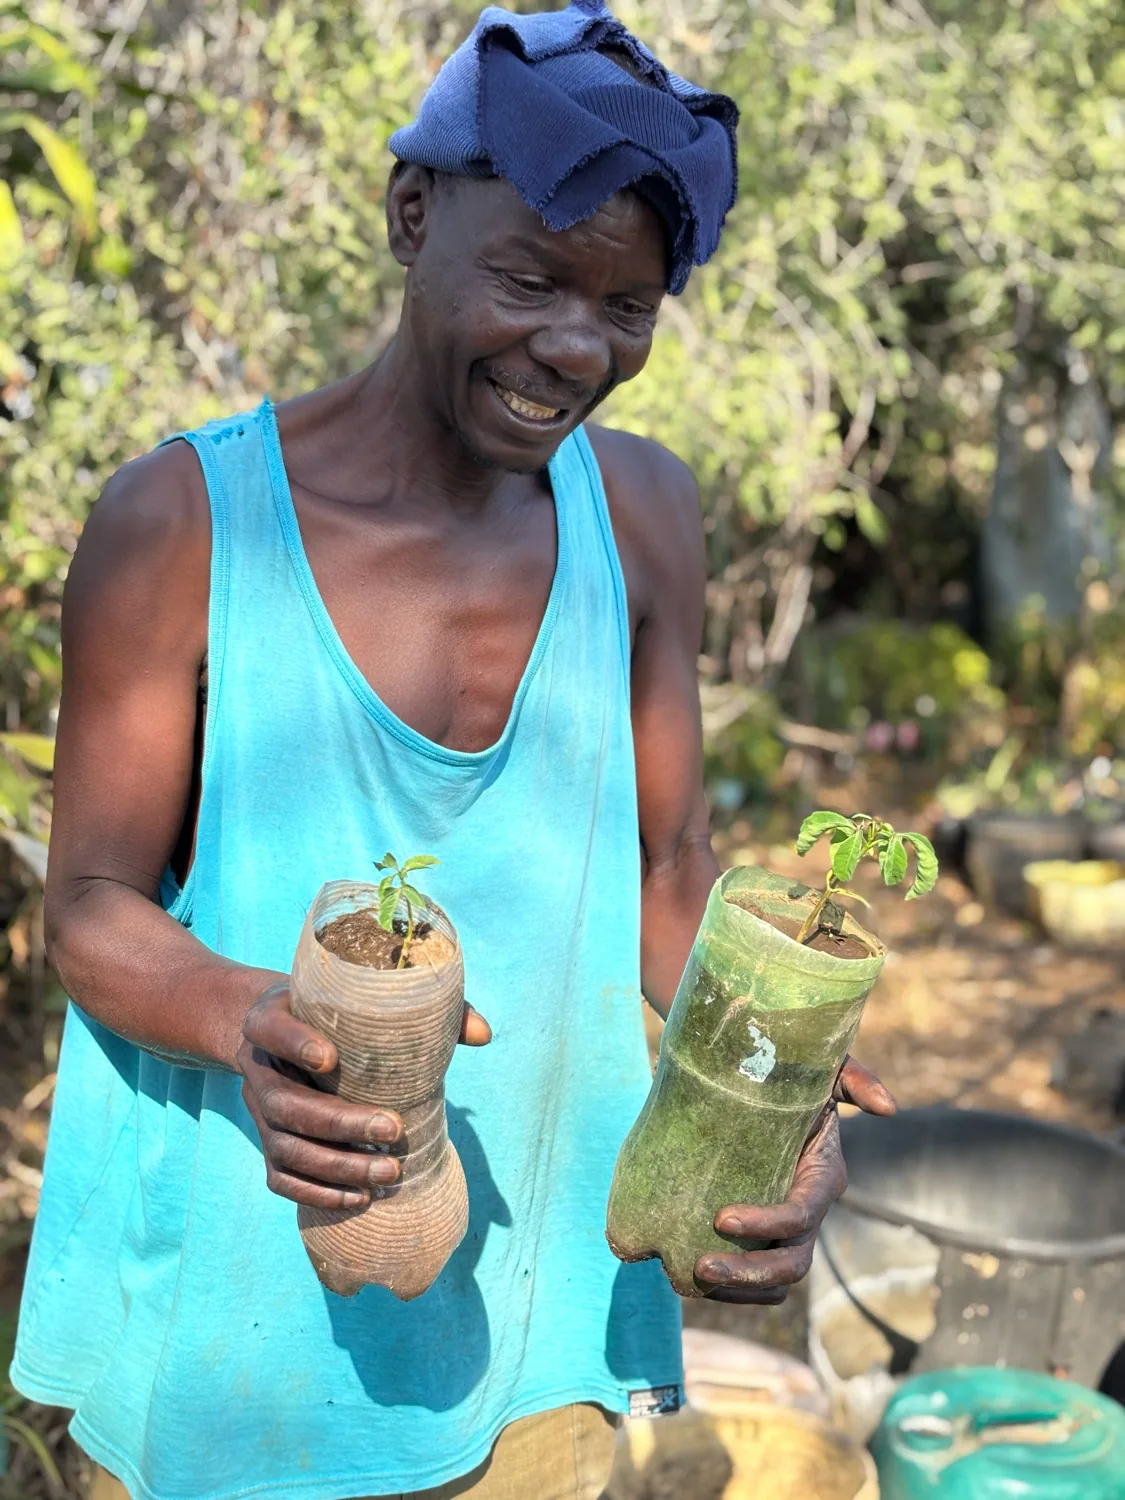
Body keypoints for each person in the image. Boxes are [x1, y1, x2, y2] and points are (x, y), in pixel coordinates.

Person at [12, 4, 894, 1498]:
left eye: (630, 307)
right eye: (534, 275)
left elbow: (668, 872)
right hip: (240, 1347)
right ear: (411, 213)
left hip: (537, 1328)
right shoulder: (185, 527)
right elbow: (86, 905)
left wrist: (778, 1101)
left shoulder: (645, 518)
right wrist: (248, 1023)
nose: (576, 346)